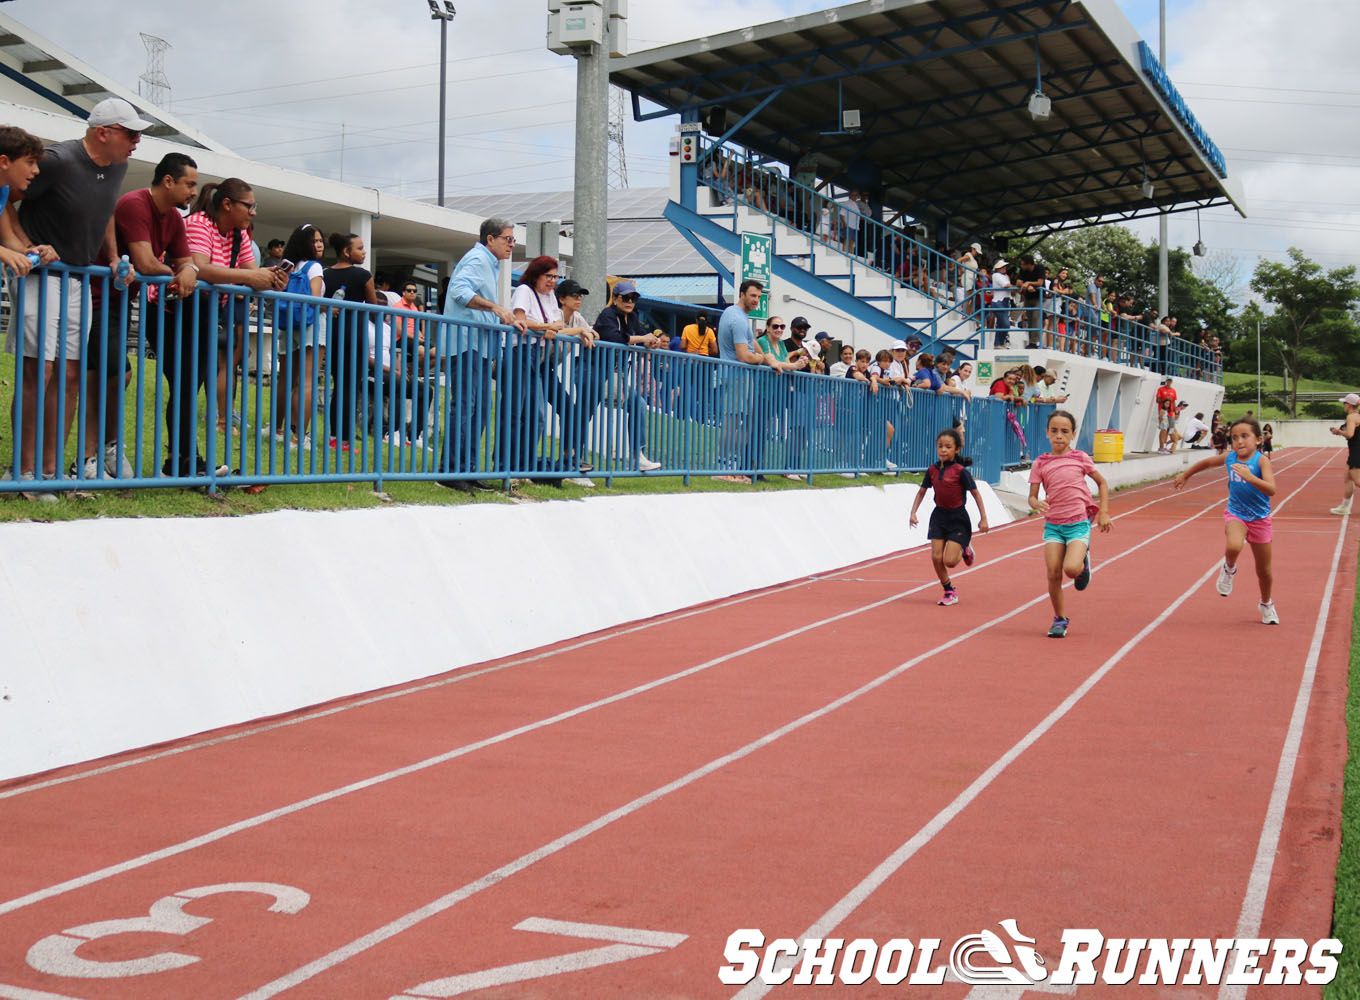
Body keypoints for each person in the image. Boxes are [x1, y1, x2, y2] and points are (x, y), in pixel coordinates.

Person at [0, 99, 148, 499]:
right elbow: (4, 197)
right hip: (41, 277)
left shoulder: (117, 166)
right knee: (39, 372)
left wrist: (116, 258)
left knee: (69, 376)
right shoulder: (57, 160)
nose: (137, 142)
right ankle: (23, 470)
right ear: (104, 132)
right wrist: (24, 247)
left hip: (79, 279)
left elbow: (103, 217)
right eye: (131, 134)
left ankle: (51, 473)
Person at [79, 151, 199, 481]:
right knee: (108, 373)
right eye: (189, 184)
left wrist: (188, 269)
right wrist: (181, 274)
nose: (193, 192)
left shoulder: (173, 218)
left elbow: (185, 260)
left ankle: (105, 447)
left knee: (116, 373)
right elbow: (147, 263)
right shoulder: (134, 203)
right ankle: (88, 456)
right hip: (96, 297)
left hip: (120, 301)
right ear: (168, 181)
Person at [174, 179, 287, 477]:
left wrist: (271, 278)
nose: (253, 213)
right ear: (227, 205)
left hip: (206, 311)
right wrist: (253, 278)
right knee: (186, 385)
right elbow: (200, 268)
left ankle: (185, 460)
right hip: (176, 308)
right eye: (249, 206)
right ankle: (184, 461)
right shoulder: (199, 224)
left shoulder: (238, 234)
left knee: (191, 383)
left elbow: (252, 273)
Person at [439, 216, 526, 492]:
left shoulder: (490, 263)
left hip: (479, 345)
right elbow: (459, 292)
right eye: (507, 239)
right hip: (466, 344)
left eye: (513, 240)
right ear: (490, 239)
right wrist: (496, 309)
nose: (511, 245)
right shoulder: (478, 259)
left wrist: (505, 317)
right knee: (465, 406)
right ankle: (451, 471)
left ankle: (468, 469)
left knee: (479, 410)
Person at [1173, 416, 1279, 625]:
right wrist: (1186, 475)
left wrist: (1251, 477)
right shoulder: (1230, 458)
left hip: (1260, 519)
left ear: (1258, 440)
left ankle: (1266, 603)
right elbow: (1207, 462)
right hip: (1236, 513)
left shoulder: (1261, 461)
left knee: (1264, 571)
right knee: (1233, 545)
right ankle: (1229, 568)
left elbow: (1272, 489)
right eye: (1234, 438)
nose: (1239, 441)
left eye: (1245, 436)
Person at [1028, 409, 1112, 638]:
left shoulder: (1080, 458)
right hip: (1054, 525)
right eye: (1054, 431)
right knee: (1053, 573)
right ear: (1046, 433)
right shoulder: (1040, 463)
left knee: (1071, 569)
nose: (1059, 436)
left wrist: (1103, 512)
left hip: (1077, 522)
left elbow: (1102, 483)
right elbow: (1032, 496)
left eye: (1064, 431)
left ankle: (1083, 562)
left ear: (1072, 435)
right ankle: (1060, 619)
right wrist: (1036, 504)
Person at [714, 278, 805, 483]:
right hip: (735, 376)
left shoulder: (738, 316)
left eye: (758, 296)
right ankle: (724, 469)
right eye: (752, 295)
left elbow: (750, 341)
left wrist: (767, 356)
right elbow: (744, 356)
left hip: (742, 379)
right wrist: (765, 359)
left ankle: (733, 468)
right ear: (742, 294)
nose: (756, 300)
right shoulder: (737, 318)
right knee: (732, 424)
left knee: (744, 426)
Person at [590, 279, 665, 473]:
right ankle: (574, 457)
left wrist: (651, 342)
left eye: (633, 298)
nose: (630, 301)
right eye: (625, 298)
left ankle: (637, 455)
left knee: (638, 404)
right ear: (615, 299)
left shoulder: (632, 317)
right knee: (585, 414)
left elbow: (641, 336)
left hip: (616, 374)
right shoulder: (607, 315)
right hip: (596, 372)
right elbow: (614, 337)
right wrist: (643, 339)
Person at [910, 428, 989, 606]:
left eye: (948, 447)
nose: (943, 450)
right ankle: (949, 590)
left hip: (958, 518)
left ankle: (964, 548)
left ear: (956, 450)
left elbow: (976, 494)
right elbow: (922, 492)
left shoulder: (961, 472)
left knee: (950, 561)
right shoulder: (932, 470)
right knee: (936, 557)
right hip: (939, 516)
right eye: (940, 446)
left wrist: (983, 518)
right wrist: (913, 512)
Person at [322, 232, 380, 455]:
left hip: (332, 335)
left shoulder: (325, 274)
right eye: (360, 248)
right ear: (347, 251)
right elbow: (374, 308)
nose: (364, 252)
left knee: (338, 386)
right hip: (355, 336)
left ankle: (334, 436)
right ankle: (344, 439)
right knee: (351, 387)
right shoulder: (363, 275)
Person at [273, 224, 326, 449]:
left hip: (287, 325)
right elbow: (314, 300)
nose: (319, 244)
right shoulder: (314, 268)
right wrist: (326, 307)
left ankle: (277, 429)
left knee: (286, 380)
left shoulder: (288, 267)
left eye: (320, 240)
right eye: (315, 241)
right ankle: (299, 437)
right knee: (307, 383)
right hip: (310, 326)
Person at [1329, 392, 1360, 514]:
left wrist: (1338, 431)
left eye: (1344, 403)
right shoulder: (1357, 416)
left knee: (1357, 480)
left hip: (1356, 451)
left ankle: (1345, 507)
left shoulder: (1351, 417)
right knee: (1348, 477)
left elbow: (1350, 434)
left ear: (1349, 405)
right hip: (1355, 449)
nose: (1344, 405)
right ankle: (1345, 507)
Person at [989, 259, 1012, 349]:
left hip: (1004, 301)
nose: (1004, 268)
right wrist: (1016, 287)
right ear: (997, 268)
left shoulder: (1004, 276)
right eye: (1002, 267)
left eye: (1004, 266)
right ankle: (999, 343)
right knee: (1005, 324)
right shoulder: (996, 275)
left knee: (1001, 324)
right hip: (999, 301)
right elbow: (1006, 285)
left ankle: (998, 343)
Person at [1155, 377, 1178, 453]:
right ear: (1166, 381)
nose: (1169, 382)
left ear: (1171, 382)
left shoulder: (1173, 390)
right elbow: (1157, 400)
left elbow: (1174, 402)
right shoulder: (1161, 389)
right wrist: (1165, 400)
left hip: (1171, 412)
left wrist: (1176, 412)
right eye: (1168, 380)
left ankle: (1164, 447)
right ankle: (1161, 447)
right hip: (1163, 411)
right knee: (1163, 430)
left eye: (1170, 381)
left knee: (1168, 431)